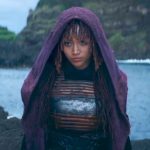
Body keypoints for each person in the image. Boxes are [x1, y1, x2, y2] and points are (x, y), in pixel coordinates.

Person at [21, 7, 132, 150]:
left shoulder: (108, 79)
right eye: (68, 43)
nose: (75, 51)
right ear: (60, 45)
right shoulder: (48, 77)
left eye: (83, 42)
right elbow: (35, 125)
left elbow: (118, 129)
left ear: (94, 43)